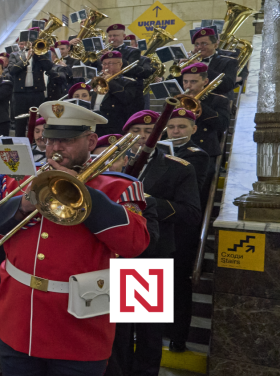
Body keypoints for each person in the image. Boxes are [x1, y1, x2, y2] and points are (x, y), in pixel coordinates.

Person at [0, 101, 150, 374]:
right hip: (18, 322)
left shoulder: (118, 187)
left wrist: (85, 196)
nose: (55, 148)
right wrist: (22, 205)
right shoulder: (20, 180)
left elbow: (135, 245)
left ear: (90, 141)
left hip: (80, 330)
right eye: (51, 139)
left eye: (66, 140)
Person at [109, 110, 199, 376]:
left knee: (148, 329)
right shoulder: (110, 162)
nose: (141, 137)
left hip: (151, 255)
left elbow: (191, 213)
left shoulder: (177, 167)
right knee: (117, 331)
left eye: (148, 132)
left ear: (158, 135)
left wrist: (145, 201)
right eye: (136, 131)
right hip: (114, 253)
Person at [166, 108, 210, 355]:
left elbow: (189, 190)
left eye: (182, 127)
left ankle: (177, 337)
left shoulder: (197, 155)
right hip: (155, 228)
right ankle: (144, 331)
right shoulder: (157, 152)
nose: (176, 131)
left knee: (178, 285)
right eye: (172, 127)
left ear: (194, 129)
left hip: (180, 231)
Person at [180, 62, 230, 186]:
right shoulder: (177, 99)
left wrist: (199, 105)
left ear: (205, 81)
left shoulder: (219, 100)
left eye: (193, 82)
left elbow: (222, 125)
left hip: (206, 151)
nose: (188, 86)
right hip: (179, 148)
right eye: (185, 81)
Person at [7, 32, 53, 136]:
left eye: (31, 41)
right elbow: (12, 70)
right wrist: (26, 59)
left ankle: (37, 145)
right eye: (26, 42)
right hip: (20, 94)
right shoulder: (14, 55)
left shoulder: (41, 55)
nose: (29, 44)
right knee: (20, 123)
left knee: (38, 122)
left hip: (37, 93)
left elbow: (49, 67)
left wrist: (38, 56)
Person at [95, 51, 144, 136]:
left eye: (110, 64)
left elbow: (127, 99)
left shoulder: (129, 83)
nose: (106, 66)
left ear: (120, 64)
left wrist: (110, 82)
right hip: (96, 125)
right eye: (104, 64)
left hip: (115, 127)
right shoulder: (96, 82)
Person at [190, 27, 239, 96]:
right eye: (197, 44)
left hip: (215, 103)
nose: (199, 47)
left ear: (215, 45)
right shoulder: (190, 62)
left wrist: (202, 68)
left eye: (204, 44)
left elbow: (227, 86)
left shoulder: (229, 62)